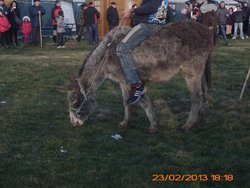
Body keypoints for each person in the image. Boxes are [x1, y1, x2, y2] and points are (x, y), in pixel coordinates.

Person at [116, 0, 168, 105]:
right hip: (153, 23)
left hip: (149, 24)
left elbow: (151, 7)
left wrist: (132, 10)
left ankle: (136, 84)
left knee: (121, 48)